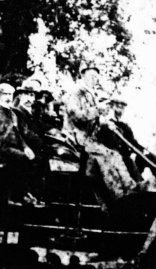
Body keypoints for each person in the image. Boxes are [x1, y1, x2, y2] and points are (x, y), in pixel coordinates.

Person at [62, 64, 146, 210]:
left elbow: (94, 121)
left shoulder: (91, 95)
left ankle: (131, 187)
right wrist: (97, 110)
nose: (94, 80)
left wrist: (106, 124)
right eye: (91, 76)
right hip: (76, 138)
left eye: (96, 77)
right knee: (103, 157)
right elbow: (76, 117)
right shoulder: (75, 93)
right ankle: (118, 194)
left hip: (89, 139)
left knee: (115, 154)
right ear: (83, 76)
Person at [96, 96, 156, 191]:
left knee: (149, 157)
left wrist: (143, 152)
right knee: (127, 160)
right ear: (111, 107)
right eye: (118, 107)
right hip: (114, 165)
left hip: (128, 165)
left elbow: (133, 144)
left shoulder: (124, 127)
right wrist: (108, 125)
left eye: (122, 108)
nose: (120, 110)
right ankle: (138, 186)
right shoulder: (104, 126)